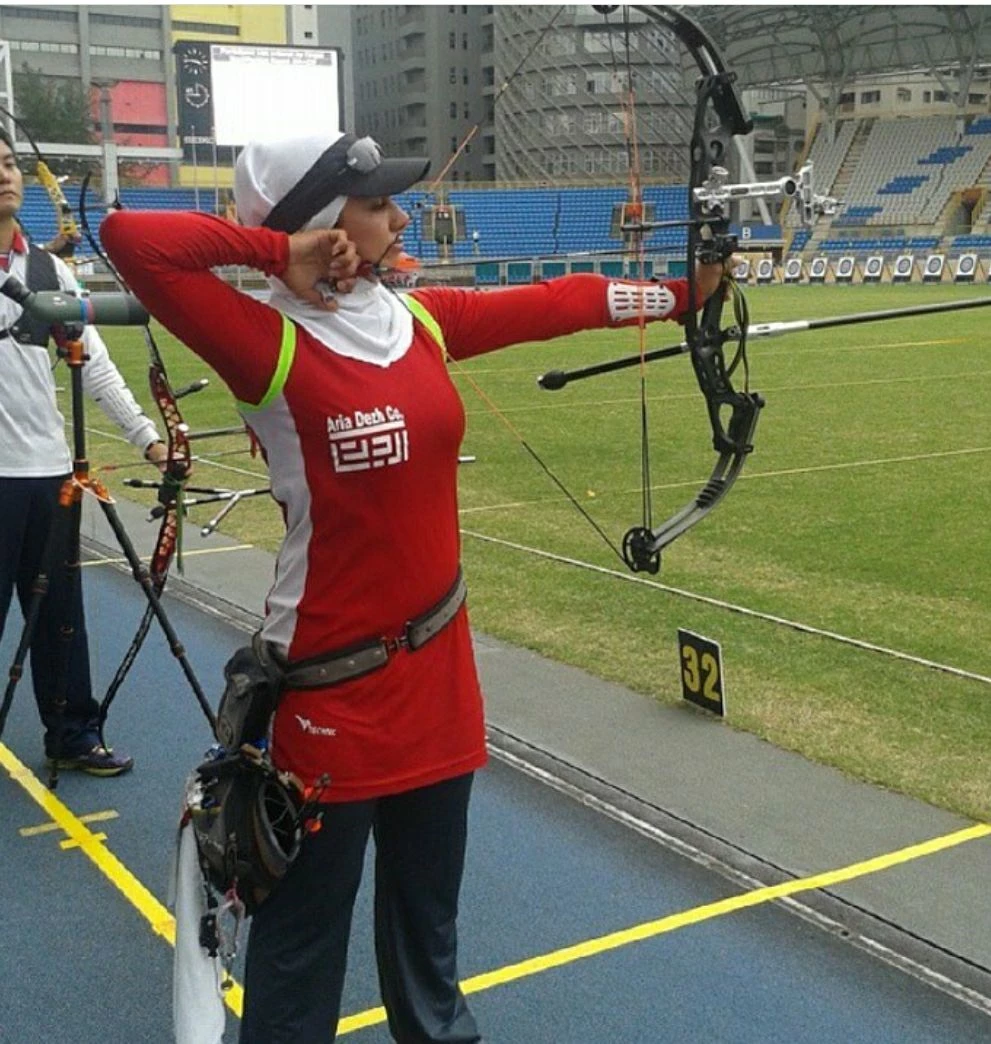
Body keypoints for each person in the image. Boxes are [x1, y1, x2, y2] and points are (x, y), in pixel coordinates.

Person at [100, 131, 729, 1043]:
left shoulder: (418, 321)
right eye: (376, 204)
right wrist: (281, 252)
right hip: (328, 692)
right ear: (324, 225)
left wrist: (680, 297)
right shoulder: (265, 341)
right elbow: (131, 238)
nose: (400, 217)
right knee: (302, 947)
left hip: (439, 675)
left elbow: (555, 303)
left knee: (429, 933)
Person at [0, 126, 167, 777]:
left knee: (61, 617)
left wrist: (147, 437)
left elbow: (92, 365)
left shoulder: (48, 268)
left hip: (49, 474)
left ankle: (71, 731)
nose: (6, 174)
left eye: (10, 163)